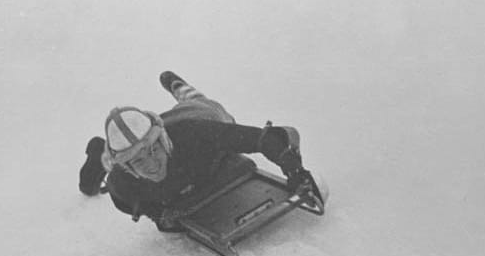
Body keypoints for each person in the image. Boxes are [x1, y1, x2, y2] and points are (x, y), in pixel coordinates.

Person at [79, 71, 318, 231]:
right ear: (128, 168)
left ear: (164, 142)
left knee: (202, 103)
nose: (151, 164)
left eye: (154, 151)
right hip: (156, 130)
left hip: (199, 114)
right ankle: (99, 149)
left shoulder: (199, 134)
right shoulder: (122, 182)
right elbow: (127, 202)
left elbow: (264, 138)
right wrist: (158, 214)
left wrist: (293, 167)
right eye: (138, 162)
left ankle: (178, 86)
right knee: (94, 178)